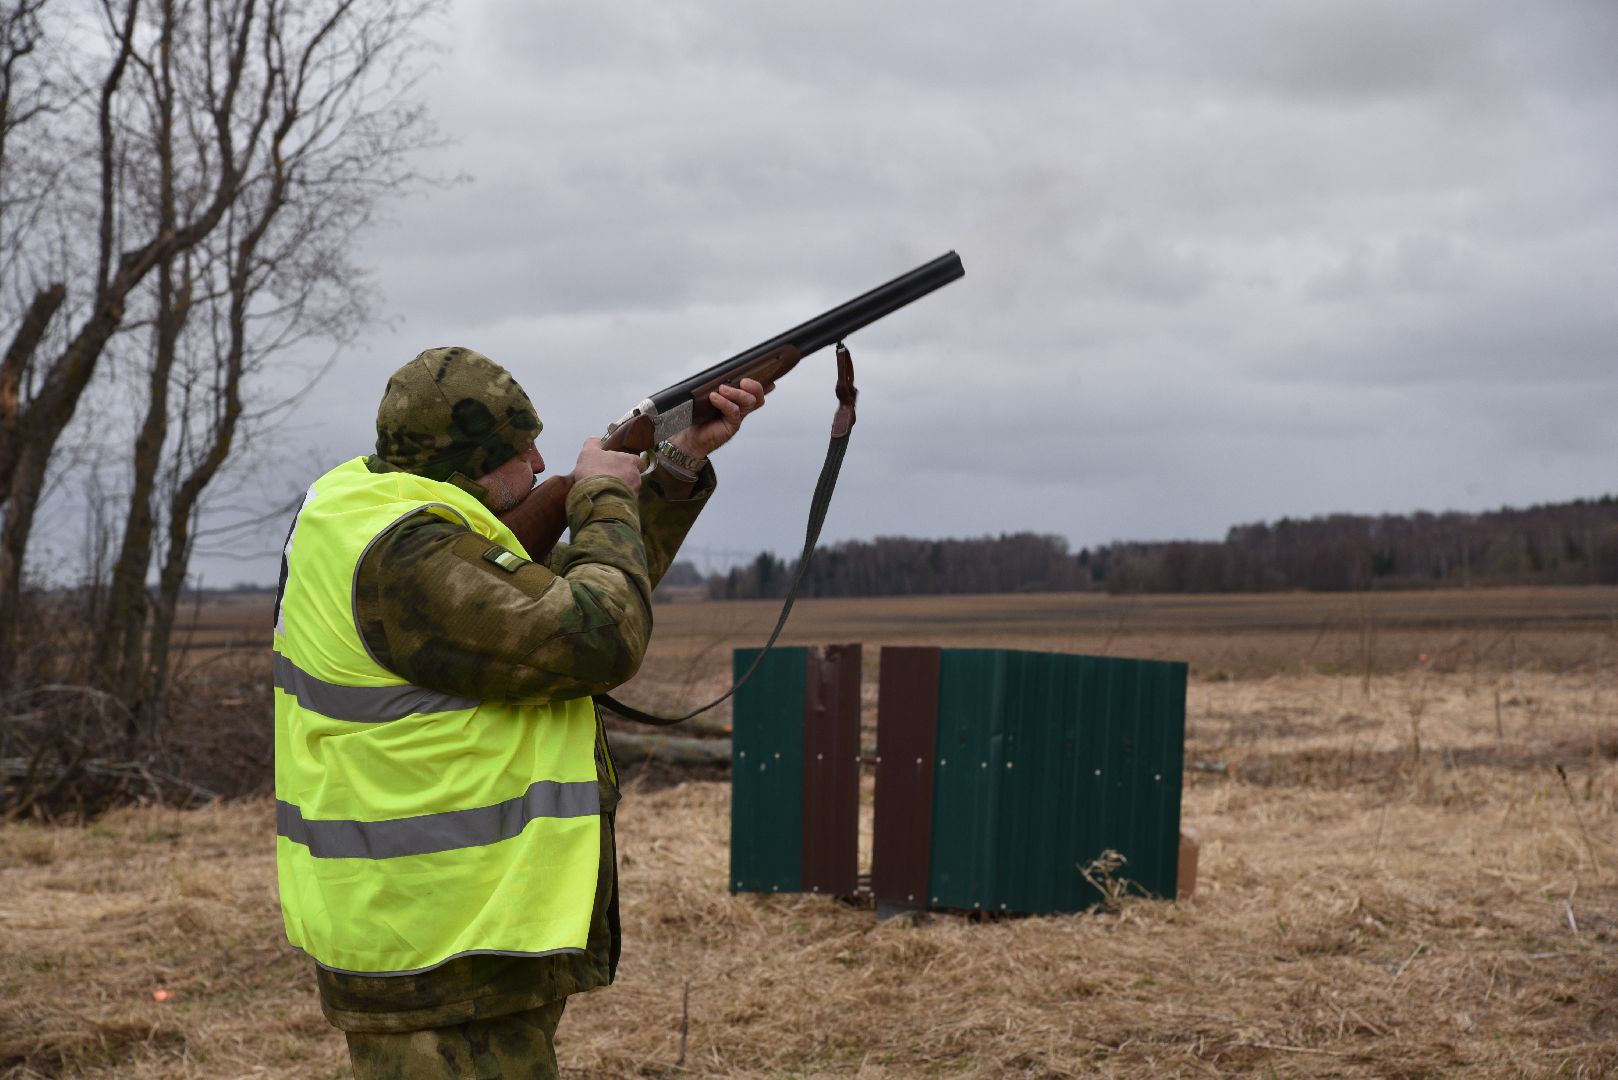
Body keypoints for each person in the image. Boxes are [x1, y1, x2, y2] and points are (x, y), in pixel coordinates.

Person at [271, 345, 768, 1078]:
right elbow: (598, 634)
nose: (540, 463)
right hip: (439, 942)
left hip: (445, 933)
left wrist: (675, 466)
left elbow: (575, 594)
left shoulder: (370, 515)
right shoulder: (411, 559)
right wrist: (601, 494)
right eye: (518, 449)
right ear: (466, 467)